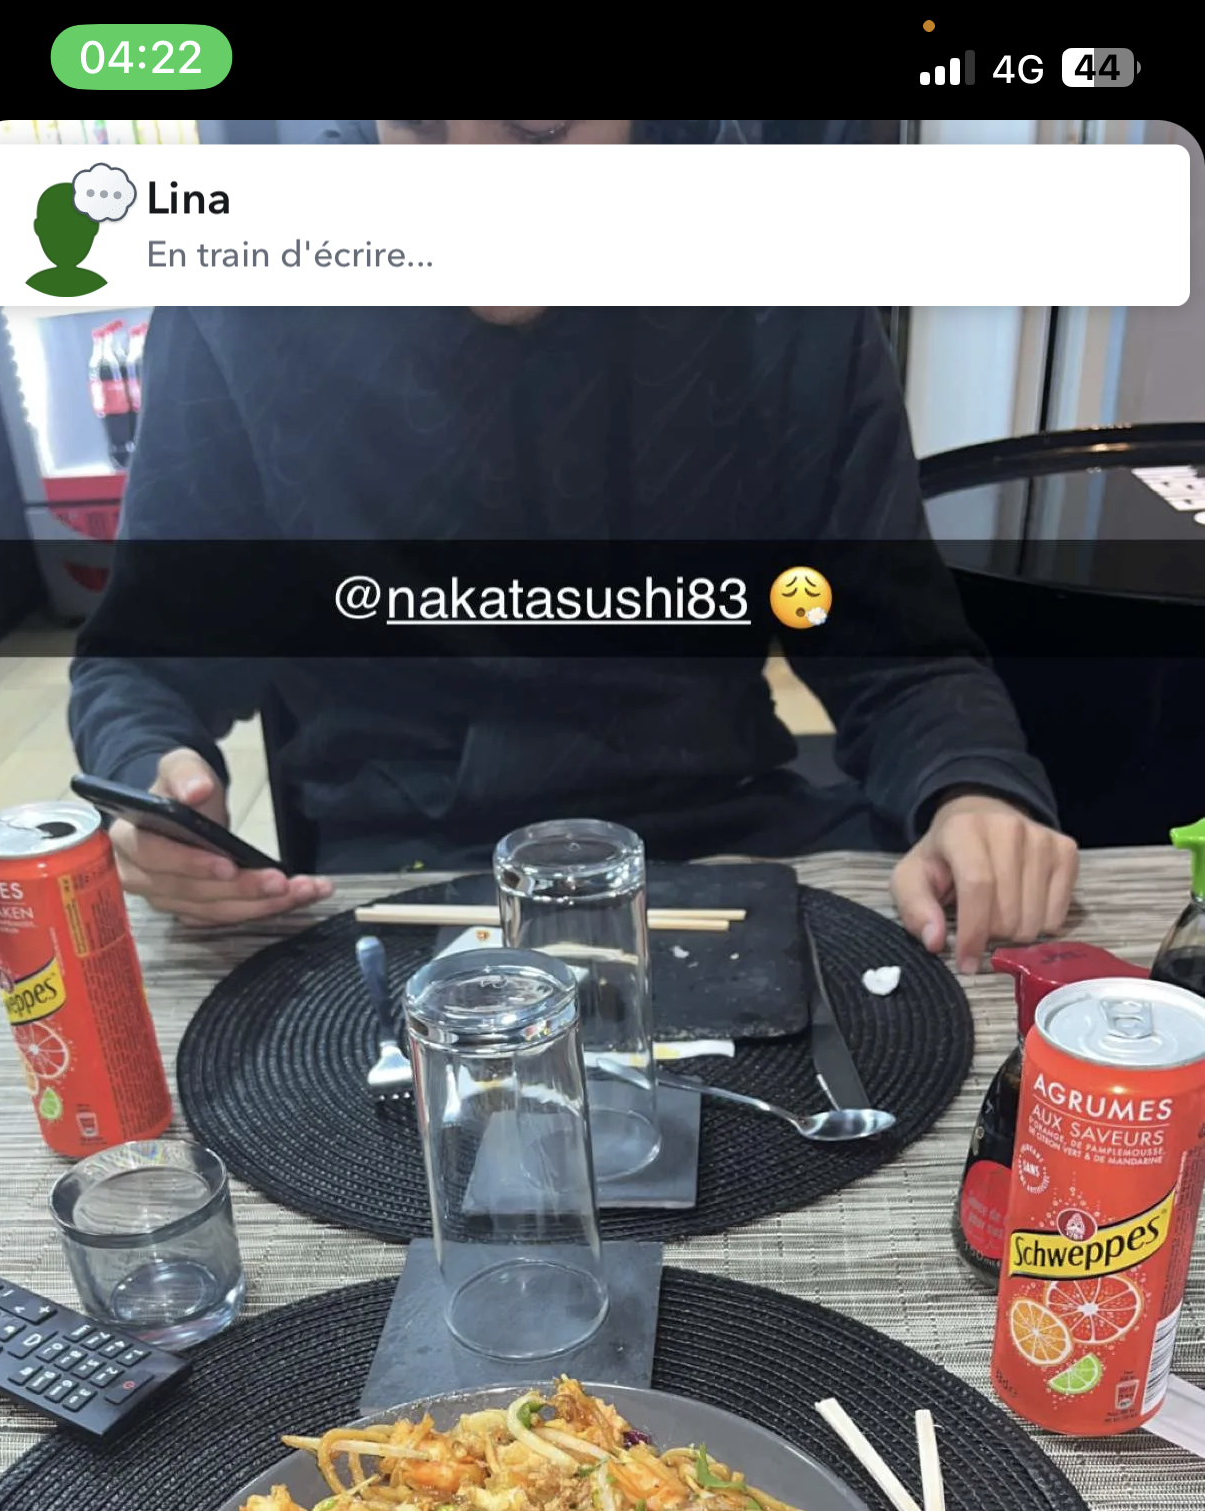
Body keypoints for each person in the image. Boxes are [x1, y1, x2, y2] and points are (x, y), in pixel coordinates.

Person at [69, 116, 1078, 971]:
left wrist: (971, 792)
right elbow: (144, 665)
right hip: (398, 871)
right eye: (419, 129)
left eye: (539, 132)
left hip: (723, 838)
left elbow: (898, 655)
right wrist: (158, 784)